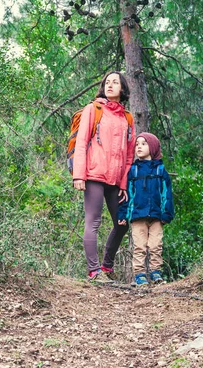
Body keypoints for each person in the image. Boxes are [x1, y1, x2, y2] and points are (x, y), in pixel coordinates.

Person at [72, 71, 136, 281]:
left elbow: (129, 156)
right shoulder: (94, 109)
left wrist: (124, 185)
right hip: (94, 176)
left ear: (122, 88)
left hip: (116, 180)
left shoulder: (127, 118)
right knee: (93, 222)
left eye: (115, 82)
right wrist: (79, 176)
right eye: (107, 82)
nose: (110, 85)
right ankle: (94, 272)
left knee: (122, 222)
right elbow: (81, 143)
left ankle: (106, 268)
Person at [117, 132, 174, 286]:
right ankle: (140, 274)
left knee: (156, 245)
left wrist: (166, 214)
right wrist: (123, 214)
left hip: (156, 216)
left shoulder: (160, 170)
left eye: (144, 144)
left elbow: (166, 194)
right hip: (137, 216)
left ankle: (156, 272)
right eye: (137, 144)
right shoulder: (133, 171)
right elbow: (126, 195)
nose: (139, 147)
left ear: (153, 147)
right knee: (139, 246)